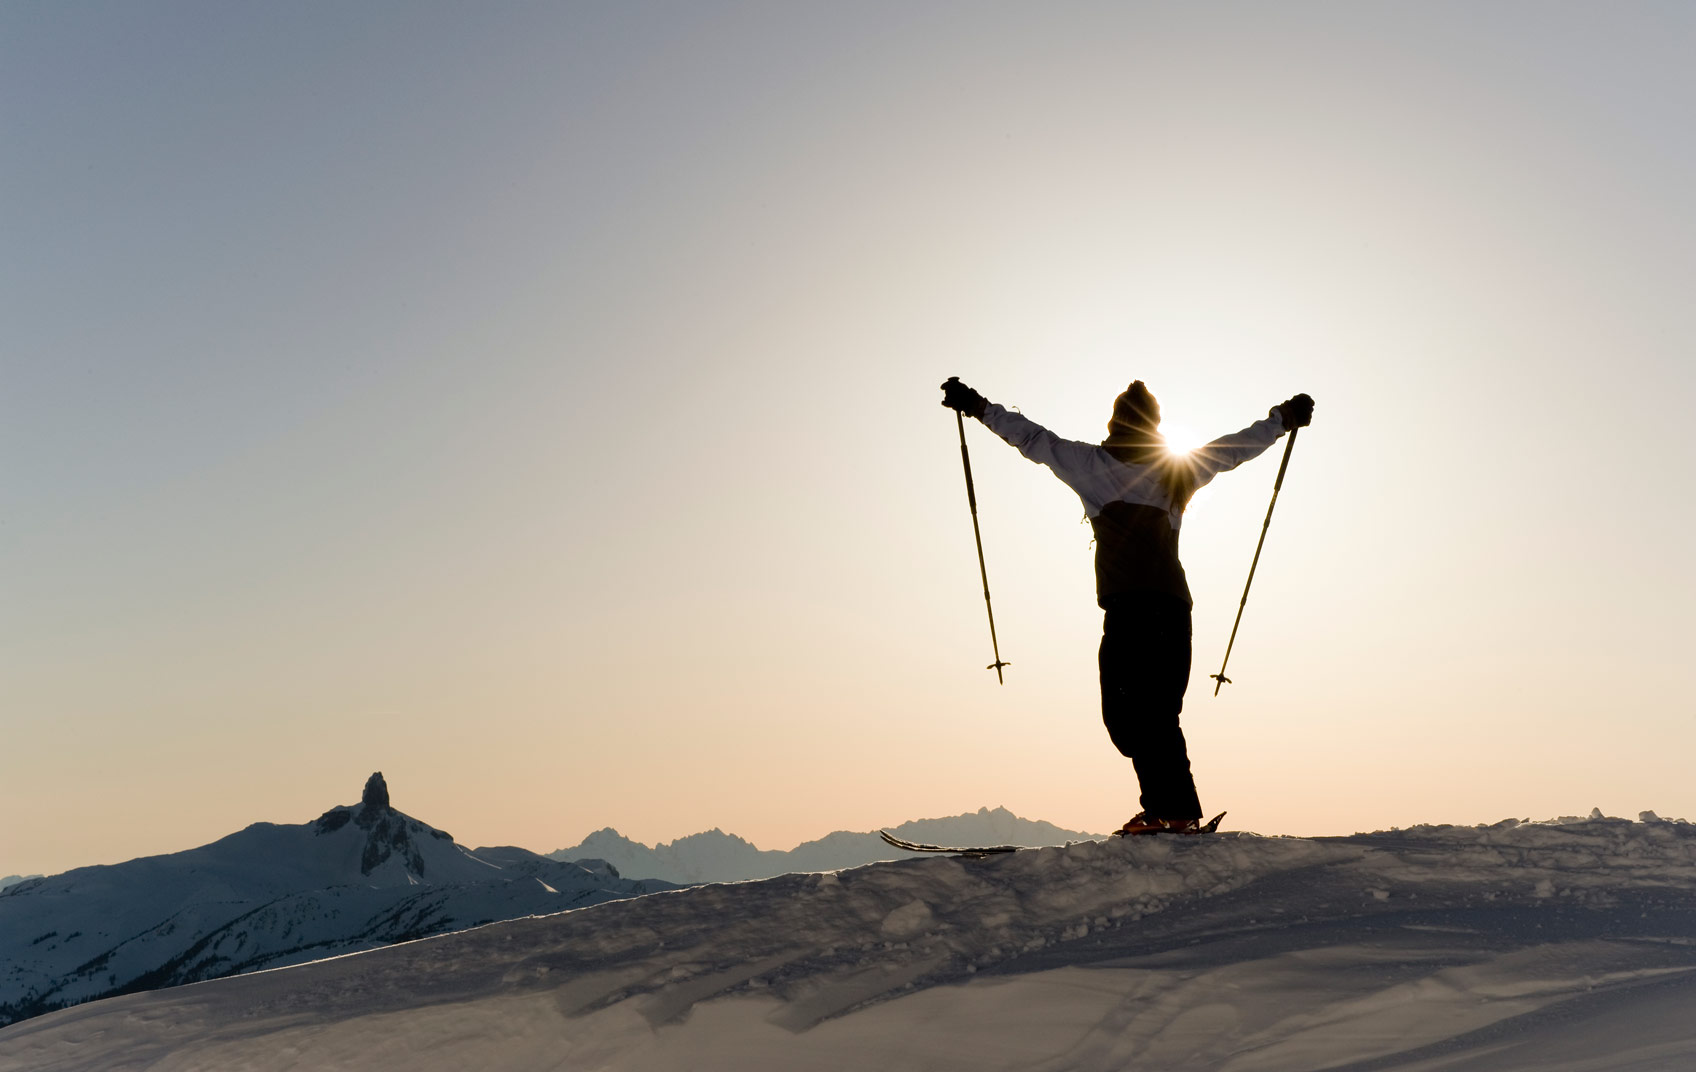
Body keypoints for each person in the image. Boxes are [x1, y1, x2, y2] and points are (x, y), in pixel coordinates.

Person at [940, 377, 1314, 835]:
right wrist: (1282, 420)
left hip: (1131, 609)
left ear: (1115, 422)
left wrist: (977, 406)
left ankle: (1171, 811)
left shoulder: (1091, 464)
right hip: (1172, 610)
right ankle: (1168, 809)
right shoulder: (1176, 469)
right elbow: (1232, 448)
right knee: (1153, 713)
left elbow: (1033, 438)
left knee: (1132, 714)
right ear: (1154, 426)